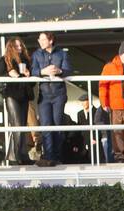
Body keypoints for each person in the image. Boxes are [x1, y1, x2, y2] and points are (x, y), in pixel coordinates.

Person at [31, 31, 71, 167]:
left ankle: (57, 156)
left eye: (43, 39)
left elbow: (68, 70)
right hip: (44, 95)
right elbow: (33, 71)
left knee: (57, 124)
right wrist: (43, 72)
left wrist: (59, 71)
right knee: (46, 125)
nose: (40, 42)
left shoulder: (62, 53)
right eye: (39, 39)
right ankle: (48, 156)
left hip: (59, 94)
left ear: (51, 40)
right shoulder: (36, 54)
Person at [0, 37, 34, 166]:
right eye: (17, 46)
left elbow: (33, 83)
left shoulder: (27, 61)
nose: (19, 49)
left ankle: (20, 154)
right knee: (17, 124)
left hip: (24, 95)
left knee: (22, 126)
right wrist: (9, 74)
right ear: (11, 47)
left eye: (21, 46)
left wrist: (28, 75)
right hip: (11, 95)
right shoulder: (4, 60)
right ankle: (15, 156)